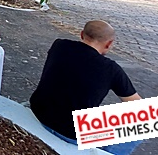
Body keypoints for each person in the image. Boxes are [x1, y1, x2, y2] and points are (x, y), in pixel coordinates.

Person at [30, 20, 142, 155]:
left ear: (82, 34)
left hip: (39, 111)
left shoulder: (59, 45)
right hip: (72, 133)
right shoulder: (111, 69)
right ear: (109, 44)